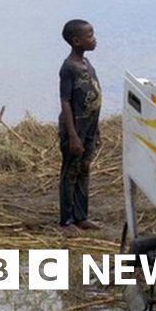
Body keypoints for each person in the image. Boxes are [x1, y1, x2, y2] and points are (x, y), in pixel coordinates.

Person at [58, 19, 102, 236]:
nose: (94, 39)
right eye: (90, 35)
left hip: (89, 129)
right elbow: (65, 102)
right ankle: (66, 221)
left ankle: (81, 216)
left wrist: (96, 129)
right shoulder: (69, 68)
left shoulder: (86, 64)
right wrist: (73, 136)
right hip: (75, 130)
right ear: (76, 41)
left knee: (84, 170)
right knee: (70, 172)